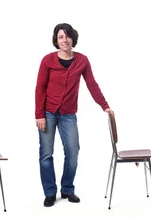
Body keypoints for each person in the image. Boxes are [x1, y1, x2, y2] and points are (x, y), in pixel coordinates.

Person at [35, 23, 114, 207]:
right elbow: (40, 88)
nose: (65, 40)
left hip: (68, 113)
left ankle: (67, 189)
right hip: (47, 112)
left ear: (73, 39)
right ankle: (50, 192)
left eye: (68, 36)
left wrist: (105, 106)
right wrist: (39, 114)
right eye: (61, 37)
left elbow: (92, 84)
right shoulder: (47, 60)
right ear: (56, 40)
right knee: (46, 154)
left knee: (73, 151)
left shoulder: (82, 61)